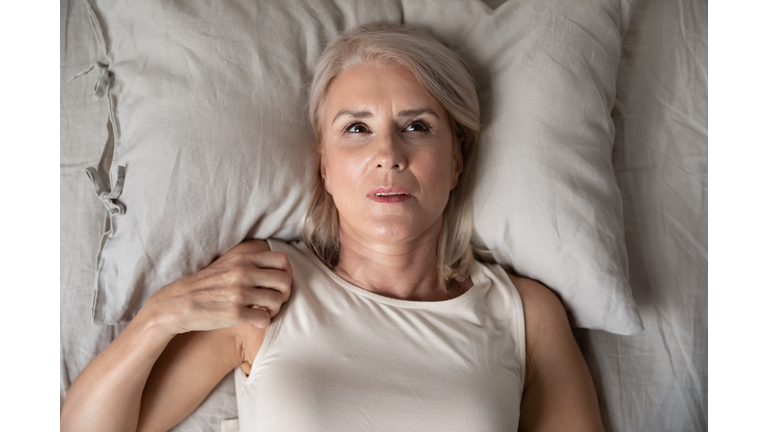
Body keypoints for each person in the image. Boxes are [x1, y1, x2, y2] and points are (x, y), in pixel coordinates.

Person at [61, 23, 604, 431]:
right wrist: (159, 316)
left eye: (417, 126)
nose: (387, 154)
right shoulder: (266, 286)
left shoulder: (525, 314)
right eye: (357, 128)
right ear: (324, 164)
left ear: (457, 159)